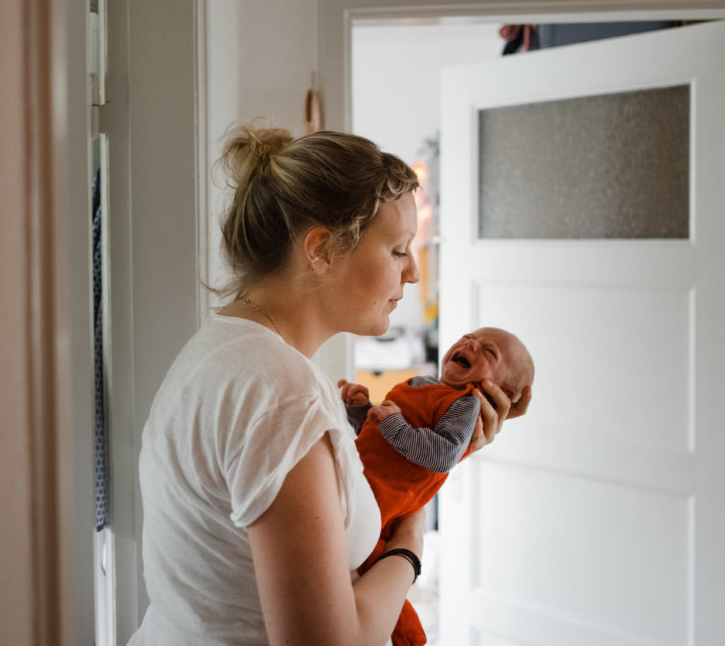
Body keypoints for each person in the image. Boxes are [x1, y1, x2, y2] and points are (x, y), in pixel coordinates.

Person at [129, 124, 529, 645]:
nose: (411, 273)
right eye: (397, 249)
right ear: (321, 250)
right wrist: (408, 548)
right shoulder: (280, 393)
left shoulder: (226, 350)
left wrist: (436, 459)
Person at [338, 327, 535, 646]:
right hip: (362, 482)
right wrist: (362, 411)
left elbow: (441, 454)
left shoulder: (466, 403)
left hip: (378, 500)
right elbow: (383, 441)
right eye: (468, 338)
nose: (470, 344)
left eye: (489, 352)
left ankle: (412, 639)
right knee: (369, 570)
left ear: (503, 389)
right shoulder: (421, 384)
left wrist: (391, 422)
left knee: (370, 570)